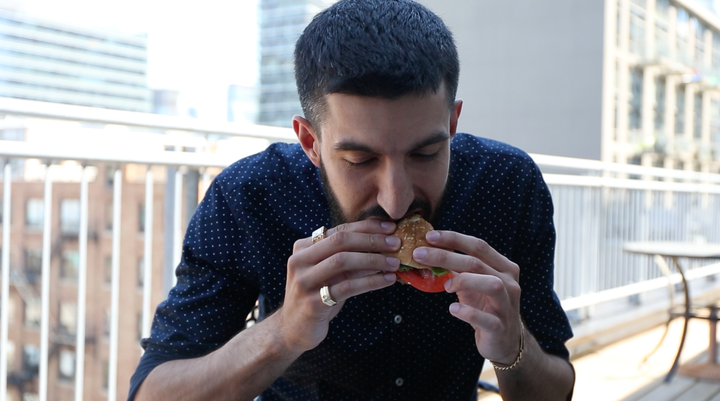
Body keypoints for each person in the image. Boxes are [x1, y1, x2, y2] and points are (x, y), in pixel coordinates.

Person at [129, 0, 575, 400]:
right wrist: (284, 333)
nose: (397, 201)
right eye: (360, 160)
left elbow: (556, 388)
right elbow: (152, 391)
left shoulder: (507, 185)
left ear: (453, 123)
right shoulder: (249, 196)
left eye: (425, 153)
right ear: (310, 142)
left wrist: (513, 344)